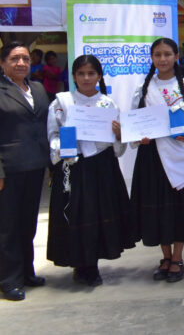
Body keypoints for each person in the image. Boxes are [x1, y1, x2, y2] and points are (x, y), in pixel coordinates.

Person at [46, 55, 134, 287]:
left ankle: (92, 265)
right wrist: (64, 149)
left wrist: (118, 134)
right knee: (75, 215)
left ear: (99, 76)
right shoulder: (62, 103)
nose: (86, 78)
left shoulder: (108, 104)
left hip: (102, 167)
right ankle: (78, 263)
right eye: (81, 74)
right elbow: (53, 136)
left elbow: (118, 146)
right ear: (74, 76)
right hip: (74, 166)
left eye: (91, 73)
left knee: (97, 214)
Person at [130, 38, 184, 283]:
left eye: (167, 54)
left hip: (181, 156)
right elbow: (134, 125)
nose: (162, 59)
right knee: (158, 210)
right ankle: (164, 257)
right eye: (157, 55)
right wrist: (138, 137)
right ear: (152, 59)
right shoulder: (142, 90)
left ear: (176, 56)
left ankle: (177, 257)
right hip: (152, 157)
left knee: (178, 210)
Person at [0, 42, 49, 301]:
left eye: (26, 59)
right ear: (3, 63)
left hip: (35, 166)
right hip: (8, 169)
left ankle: (27, 271)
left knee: (27, 224)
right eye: (14, 58)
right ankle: (9, 280)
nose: (21, 63)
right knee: (7, 226)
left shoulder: (38, 89)